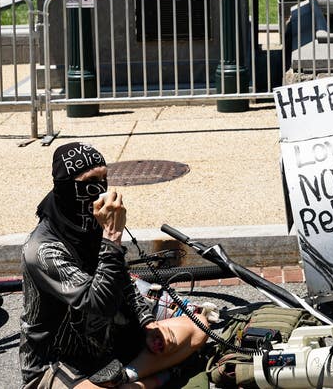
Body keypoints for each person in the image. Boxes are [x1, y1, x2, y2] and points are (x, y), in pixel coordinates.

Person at [20, 142, 208, 388]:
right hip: (56, 362)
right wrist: (112, 237)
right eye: (90, 181)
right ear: (66, 187)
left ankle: (125, 377)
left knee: (199, 327)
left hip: (108, 346)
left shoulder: (93, 221)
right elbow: (99, 305)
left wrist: (147, 324)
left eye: (104, 178)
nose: (99, 189)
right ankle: (154, 380)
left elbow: (122, 280)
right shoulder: (42, 250)